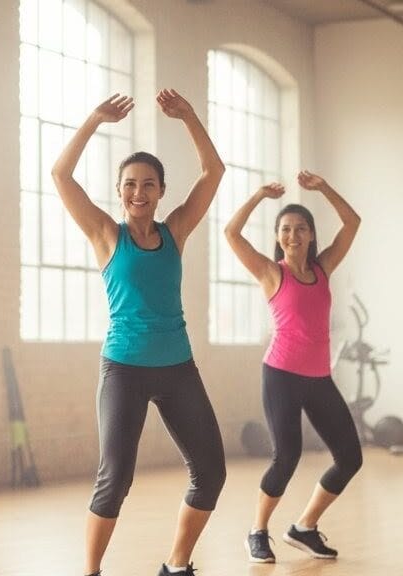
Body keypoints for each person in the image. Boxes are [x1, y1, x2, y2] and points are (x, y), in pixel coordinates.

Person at [51, 91, 226, 576]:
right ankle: (90, 571)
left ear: (162, 191)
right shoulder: (106, 234)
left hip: (177, 368)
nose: (139, 193)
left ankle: (176, 563)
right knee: (115, 480)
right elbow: (61, 176)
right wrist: (93, 118)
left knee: (211, 471)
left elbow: (214, 173)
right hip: (124, 368)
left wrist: (189, 115)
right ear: (120, 191)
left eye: (148, 184)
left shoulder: (176, 232)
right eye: (129, 184)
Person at [223, 172, 363, 563]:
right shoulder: (273, 273)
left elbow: (353, 223)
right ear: (278, 236)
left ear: (311, 235)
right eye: (285, 229)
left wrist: (324, 188)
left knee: (350, 457)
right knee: (287, 455)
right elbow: (232, 234)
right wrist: (257, 196)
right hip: (281, 375)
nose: (293, 235)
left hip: (319, 379)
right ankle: (257, 531)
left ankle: (304, 527)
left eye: (301, 228)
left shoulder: (323, 270)